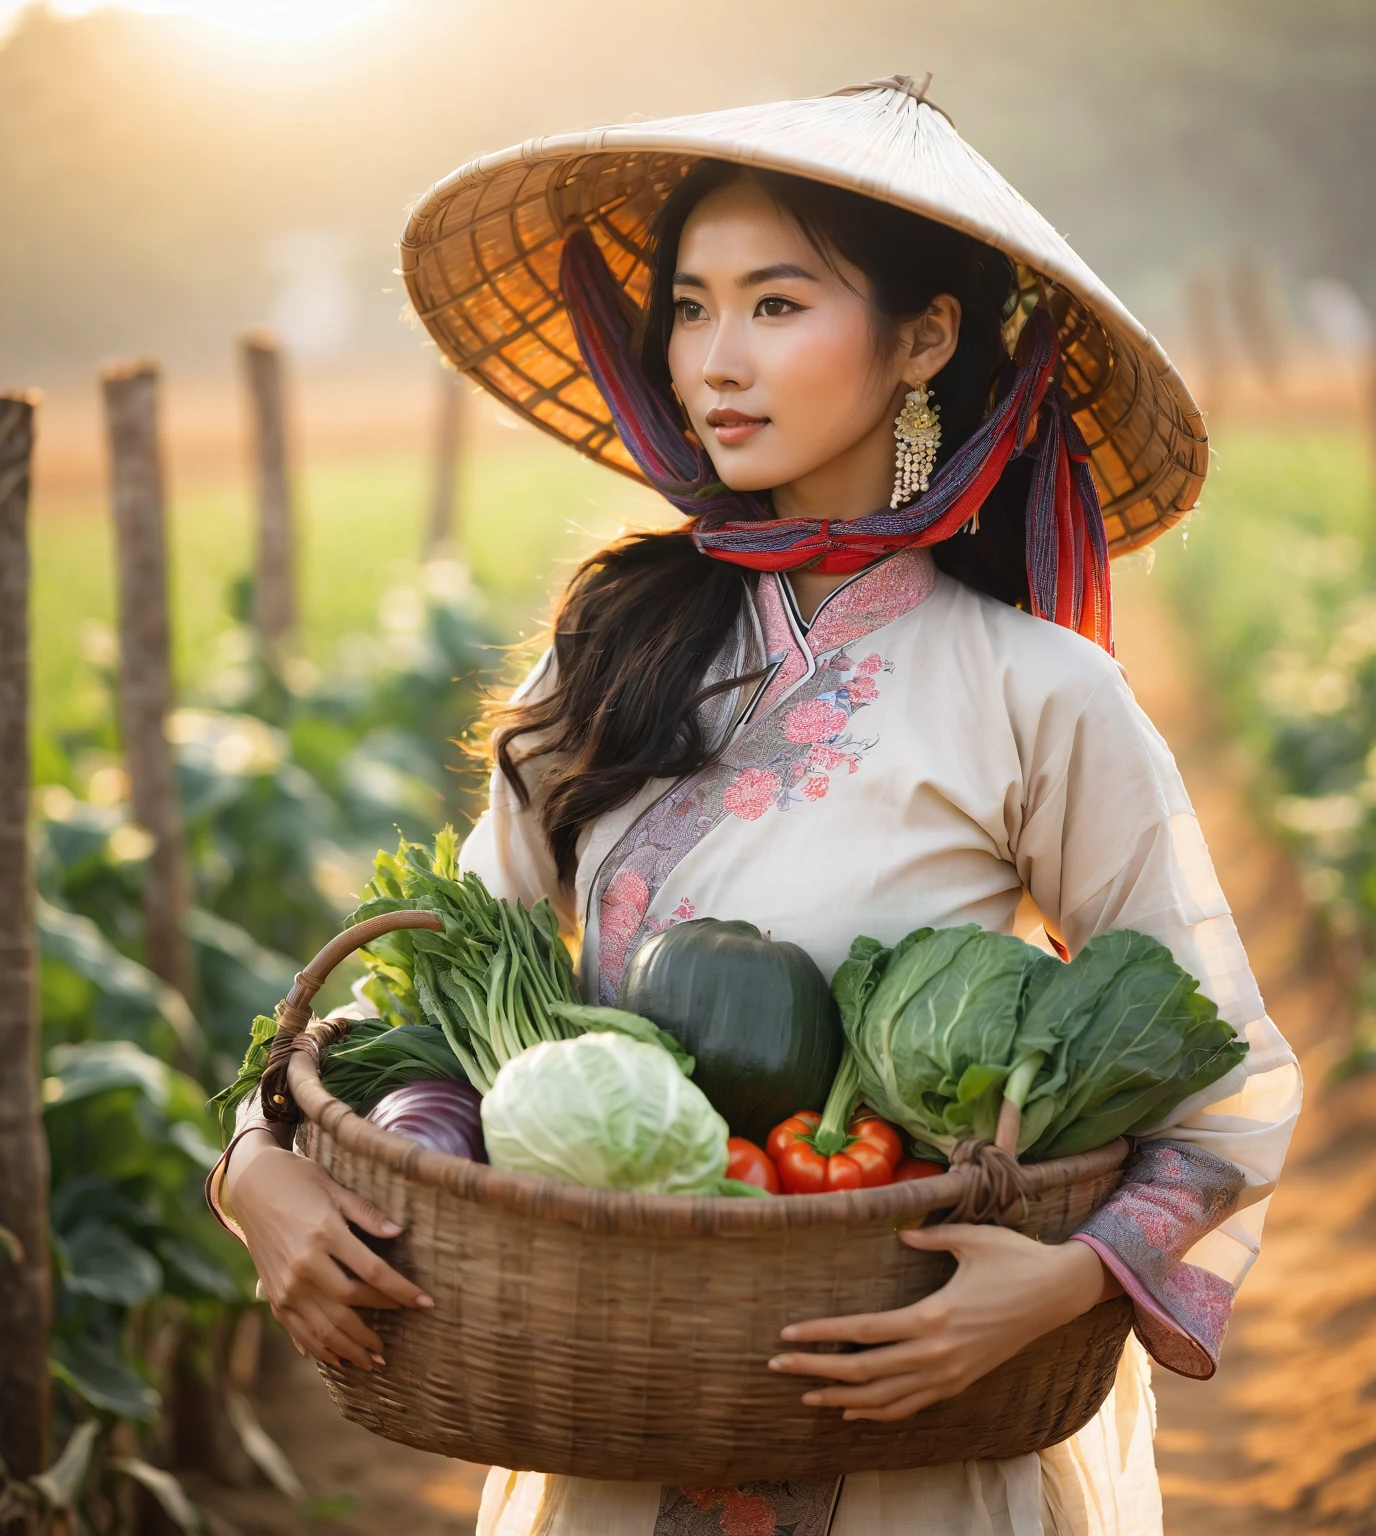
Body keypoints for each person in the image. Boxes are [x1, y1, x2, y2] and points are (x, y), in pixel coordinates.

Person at [217, 77, 1301, 1536]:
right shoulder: (608, 651)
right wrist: (256, 1163)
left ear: (922, 340)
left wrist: (1057, 1283)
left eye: (777, 307)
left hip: (906, 1430)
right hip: (605, 1410)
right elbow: (431, 989)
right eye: (690, 307)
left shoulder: (1038, 691)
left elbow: (1223, 1088)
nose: (714, 361)